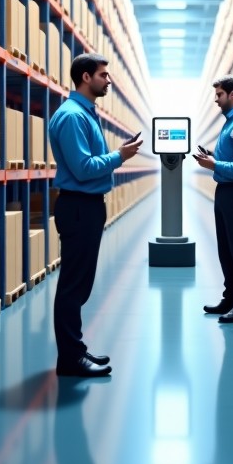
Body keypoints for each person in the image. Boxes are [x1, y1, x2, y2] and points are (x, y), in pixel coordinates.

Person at [48, 52, 142, 377]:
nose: (108, 80)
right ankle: (70, 360)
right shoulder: (73, 116)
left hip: (86, 207)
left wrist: (116, 154)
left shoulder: (86, 113)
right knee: (73, 286)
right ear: (86, 77)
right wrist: (120, 155)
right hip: (78, 207)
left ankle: (75, 349)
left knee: (80, 284)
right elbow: (84, 168)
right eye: (103, 75)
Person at [192, 75, 233, 324]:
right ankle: (229, 298)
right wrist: (213, 156)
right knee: (225, 249)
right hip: (225, 190)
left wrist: (214, 164)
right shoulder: (231, 122)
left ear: (232, 94)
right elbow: (231, 157)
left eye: (219, 95)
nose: (216, 100)